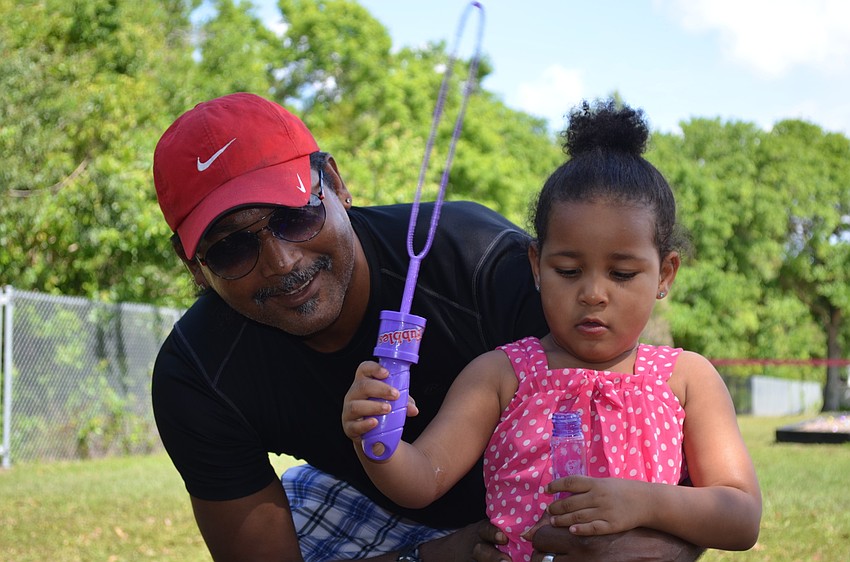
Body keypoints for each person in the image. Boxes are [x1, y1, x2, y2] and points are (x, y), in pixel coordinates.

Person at [151, 91, 705, 562]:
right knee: (303, 501)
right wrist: (435, 554)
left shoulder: (483, 262)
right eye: (231, 248)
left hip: (544, 515)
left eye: (295, 215)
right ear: (192, 265)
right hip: (372, 505)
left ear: (336, 184)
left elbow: (665, 474)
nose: (281, 261)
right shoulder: (197, 374)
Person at [342, 100, 762, 561]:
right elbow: (422, 479)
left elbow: (740, 514)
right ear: (536, 266)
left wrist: (643, 501)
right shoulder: (499, 375)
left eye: (622, 274)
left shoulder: (687, 378)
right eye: (567, 270)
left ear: (664, 275)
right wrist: (374, 440)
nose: (594, 293)